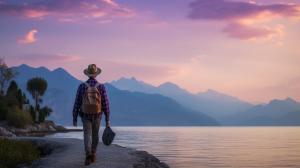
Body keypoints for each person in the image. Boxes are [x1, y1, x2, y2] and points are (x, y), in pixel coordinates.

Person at [72, 64, 110, 166]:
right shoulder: (101, 87)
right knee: (95, 135)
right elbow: (106, 104)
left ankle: (88, 154)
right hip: (97, 115)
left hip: (85, 115)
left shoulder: (82, 86)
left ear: (88, 74)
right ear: (96, 74)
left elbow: (77, 102)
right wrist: (107, 119)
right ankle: (93, 153)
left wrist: (74, 117)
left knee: (86, 134)